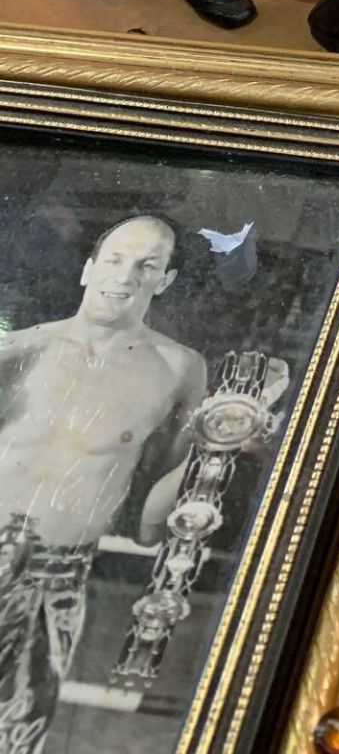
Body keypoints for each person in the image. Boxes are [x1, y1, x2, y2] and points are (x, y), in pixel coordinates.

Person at [0, 215, 207, 746]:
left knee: (14, 737)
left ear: (166, 280)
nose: (127, 275)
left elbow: (150, 526)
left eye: (148, 265)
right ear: (88, 269)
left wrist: (215, 447)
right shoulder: (19, 348)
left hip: (57, 576)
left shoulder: (180, 369)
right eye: (114, 259)